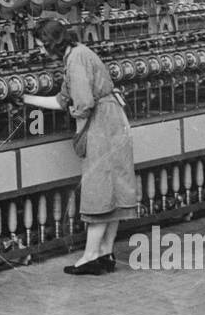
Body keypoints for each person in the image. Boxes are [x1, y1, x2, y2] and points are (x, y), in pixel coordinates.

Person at [23, 18, 138, 275]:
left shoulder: (75, 60)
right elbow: (62, 100)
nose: (41, 50)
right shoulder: (78, 54)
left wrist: (77, 113)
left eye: (42, 45)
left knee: (99, 187)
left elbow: (83, 103)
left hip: (102, 124)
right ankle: (105, 254)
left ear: (52, 44)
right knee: (114, 187)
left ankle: (89, 258)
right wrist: (27, 98)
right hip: (113, 119)